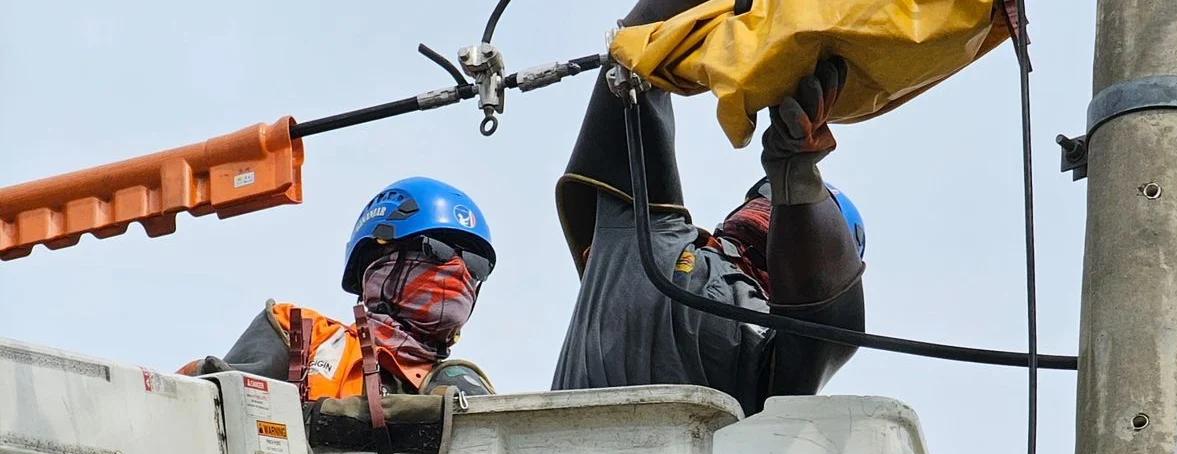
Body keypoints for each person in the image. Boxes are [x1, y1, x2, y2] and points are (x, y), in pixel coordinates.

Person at [551, 0, 867, 416]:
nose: (767, 203)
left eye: (785, 204)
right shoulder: (646, 241)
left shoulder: (772, 353)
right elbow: (635, 56)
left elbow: (830, 329)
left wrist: (799, 176)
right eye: (765, 192)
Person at [178, 176, 498, 401]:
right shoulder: (303, 335)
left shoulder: (463, 388)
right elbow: (210, 405)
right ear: (378, 256)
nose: (458, 269)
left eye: (474, 264)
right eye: (437, 249)